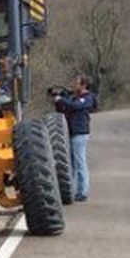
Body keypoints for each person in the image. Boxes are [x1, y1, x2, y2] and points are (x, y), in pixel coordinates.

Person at [53, 73, 98, 201]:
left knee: (80, 162)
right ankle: (71, 191)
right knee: (71, 164)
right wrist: (58, 101)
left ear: (84, 85)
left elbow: (77, 106)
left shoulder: (88, 97)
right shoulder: (73, 97)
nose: (74, 85)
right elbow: (63, 110)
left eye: (77, 83)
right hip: (71, 133)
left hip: (80, 133)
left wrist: (62, 100)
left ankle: (82, 192)